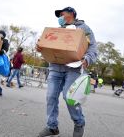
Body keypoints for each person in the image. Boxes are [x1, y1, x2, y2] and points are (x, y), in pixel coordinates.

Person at [36, 7, 97, 137]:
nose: (60, 17)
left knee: (69, 97)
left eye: (62, 14)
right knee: (51, 96)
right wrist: (41, 47)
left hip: (73, 68)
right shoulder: (57, 31)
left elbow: (93, 48)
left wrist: (87, 59)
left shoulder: (84, 29)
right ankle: (52, 126)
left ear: (71, 14)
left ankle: (79, 123)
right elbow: (47, 46)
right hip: (55, 67)